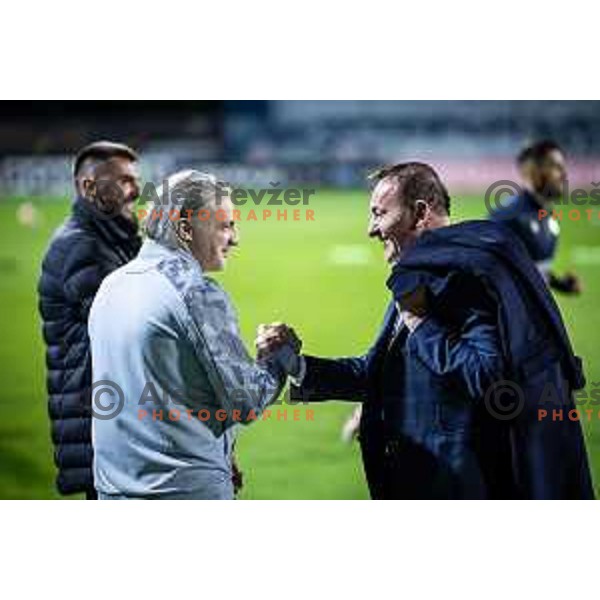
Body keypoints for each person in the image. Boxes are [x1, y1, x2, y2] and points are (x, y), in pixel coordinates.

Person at [258, 162, 593, 499]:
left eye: (379, 213)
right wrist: (297, 365)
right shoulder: (424, 270)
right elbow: (379, 370)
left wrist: (421, 323)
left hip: (458, 485)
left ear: (420, 213)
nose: (371, 230)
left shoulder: (463, 275)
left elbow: (489, 377)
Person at [89, 170, 299, 500]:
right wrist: (276, 358)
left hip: (113, 490)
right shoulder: (196, 292)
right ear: (186, 227)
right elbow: (248, 400)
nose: (236, 238)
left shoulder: (112, 285)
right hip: (183, 492)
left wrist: (223, 454)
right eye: (226, 225)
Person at [38, 141, 142, 499]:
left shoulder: (115, 240)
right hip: (102, 423)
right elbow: (135, 325)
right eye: (124, 181)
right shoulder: (79, 247)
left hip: (118, 419)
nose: (137, 190)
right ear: (88, 187)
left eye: (136, 179)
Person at [490, 140, 582, 294]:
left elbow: (531, 270)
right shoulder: (509, 218)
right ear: (536, 172)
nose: (564, 174)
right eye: (556, 167)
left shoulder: (546, 214)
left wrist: (559, 284)